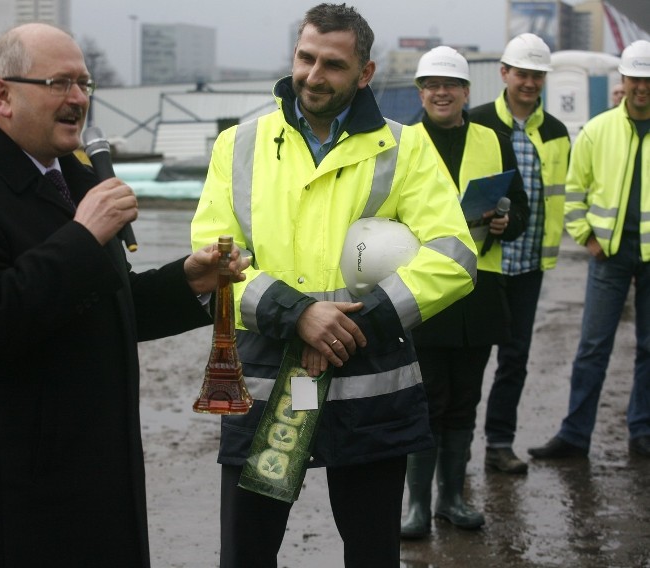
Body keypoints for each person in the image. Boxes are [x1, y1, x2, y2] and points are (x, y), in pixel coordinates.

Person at [0, 23, 249, 567]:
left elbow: (108, 308)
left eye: (85, 84)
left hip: (99, 472)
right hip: (13, 488)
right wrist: (82, 237)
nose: (79, 99)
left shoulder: (83, 183)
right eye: (59, 83)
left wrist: (188, 281)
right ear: (3, 95)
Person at [190, 5, 477, 566]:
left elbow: (454, 256)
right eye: (305, 57)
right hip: (269, 379)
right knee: (246, 554)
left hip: (369, 382)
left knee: (372, 555)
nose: (313, 75)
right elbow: (213, 265)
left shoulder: (406, 147)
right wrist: (297, 315)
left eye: (334, 65)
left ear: (365, 73)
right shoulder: (239, 145)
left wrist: (354, 324)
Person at [401, 46, 529, 539]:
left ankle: (452, 498)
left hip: (477, 289)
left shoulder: (495, 139)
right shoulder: (402, 142)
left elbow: (517, 210)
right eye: (431, 84)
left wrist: (503, 220)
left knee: (464, 400)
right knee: (427, 398)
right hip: (424, 288)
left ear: (465, 92)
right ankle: (416, 505)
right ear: (420, 91)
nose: (441, 92)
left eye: (449, 85)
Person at [529, 39, 650, 460]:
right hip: (610, 255)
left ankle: (642, 430)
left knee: (649, 348)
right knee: (593, 348)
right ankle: (575, 435)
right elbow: (572, 192)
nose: (642, 87)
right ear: (624, 80)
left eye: (648, 80)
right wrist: (588, 238)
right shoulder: (599, 131)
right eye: (636, 79)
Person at [469, 33, 570, 474]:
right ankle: (453, 452)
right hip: (482, 263)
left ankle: (498, 444)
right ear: (504, 73)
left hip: (528, 264)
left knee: (515, 359)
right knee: (468, 358)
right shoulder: (477, 124)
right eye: (521, 73)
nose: (528, 82)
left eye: (536, 75)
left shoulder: (556, 132)